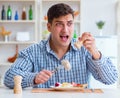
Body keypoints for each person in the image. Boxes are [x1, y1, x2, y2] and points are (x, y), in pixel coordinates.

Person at [4, 3, 118, 89]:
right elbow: (8, 78)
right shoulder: (33, 52)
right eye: (59, 24)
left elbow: (111, 79)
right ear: (49, 27)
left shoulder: (85, 50)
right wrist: (33, 78)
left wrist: (96, 53)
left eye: (69, 24)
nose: (65, 30)